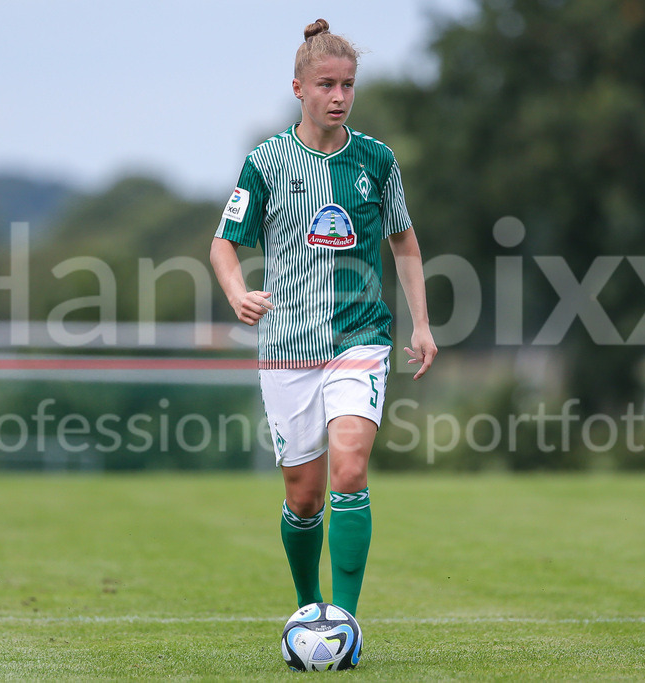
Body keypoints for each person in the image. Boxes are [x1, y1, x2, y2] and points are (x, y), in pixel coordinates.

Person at [210, 18, 436, 618]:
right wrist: (237, 291)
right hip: (287, 347)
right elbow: (223, 244)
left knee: (351, 470)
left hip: (360, 339)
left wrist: (421, 324)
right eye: (326, 85)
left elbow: (405, 242)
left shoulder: (376, 161)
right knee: (304, 497)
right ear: (299, 89)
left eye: (348, 85)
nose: (339, 97)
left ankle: (348, 621)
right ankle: (312, 611)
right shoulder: (268, 162)